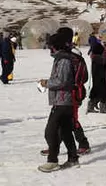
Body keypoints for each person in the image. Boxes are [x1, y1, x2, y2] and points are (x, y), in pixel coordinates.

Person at [38, 28, 83, 173]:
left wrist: (47, 82)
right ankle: (73, 158)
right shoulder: (62, 58)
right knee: (65, 131)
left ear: (55, 46)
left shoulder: (63, 60)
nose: (49, 49)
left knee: (50, 131)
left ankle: (52, 160)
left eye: (51, 46)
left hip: (64, 100)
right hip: (63, 100)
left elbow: (62, 81)